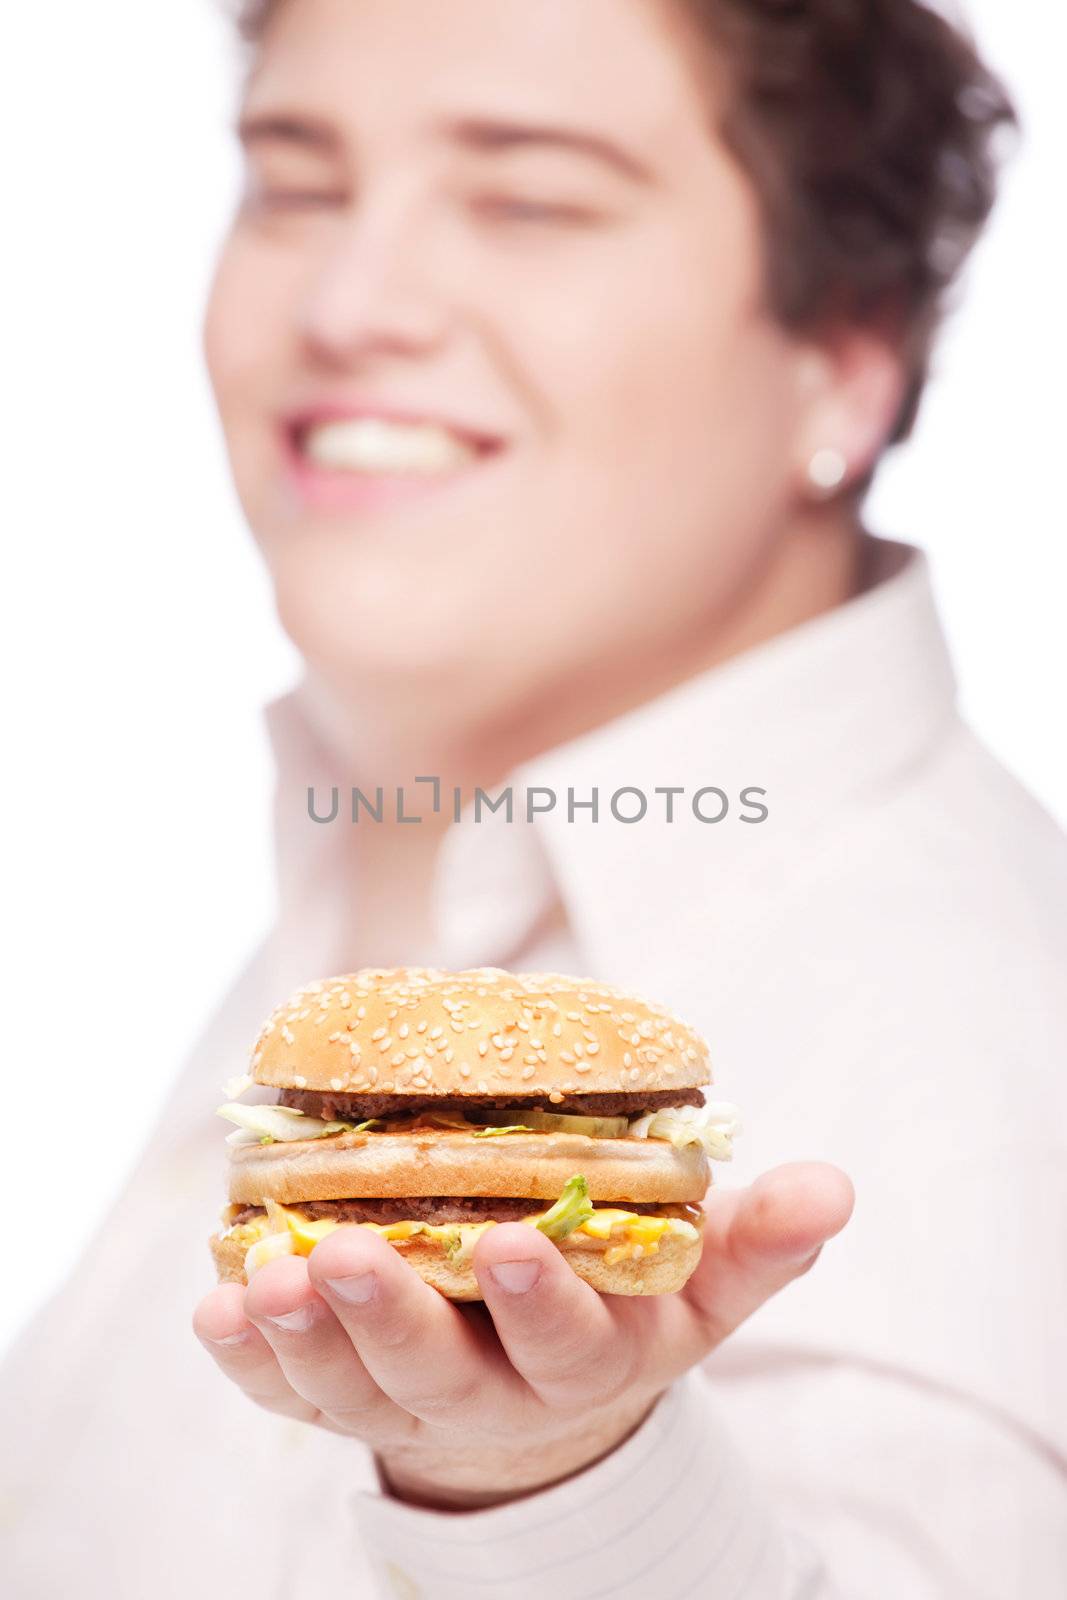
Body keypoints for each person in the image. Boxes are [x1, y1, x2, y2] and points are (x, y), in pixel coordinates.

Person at [3, 0, 1065, 1595]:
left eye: (530, 199)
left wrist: (546, 1480)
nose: (350, 305)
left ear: (848, 350)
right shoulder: (404, 881)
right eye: (297, 184)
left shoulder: (968, 1036)